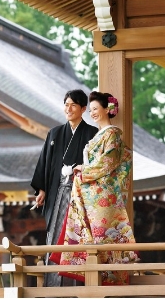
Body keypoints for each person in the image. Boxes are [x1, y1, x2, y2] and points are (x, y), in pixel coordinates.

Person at [50, 91, 140, 285]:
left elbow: (107, 163)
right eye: (90, 110)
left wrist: (83, 169)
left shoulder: (113, 134)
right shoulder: (99, 135)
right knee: (93, 240)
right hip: (91, 193)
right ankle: (97, 282)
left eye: (96, 109)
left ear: (107, 109)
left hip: (103, 196)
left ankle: (113, 284)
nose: (92, 113)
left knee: (105, 236)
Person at [30, 89, 98, 287]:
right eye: (66, 104)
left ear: (83, 109)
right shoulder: (55, 133)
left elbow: (95, 165)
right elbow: (45, 163)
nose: (68, 109)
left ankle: (76, 284)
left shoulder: (91, 134)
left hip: (80, 195)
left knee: (76, 238)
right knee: (55, 235)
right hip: (57, 192)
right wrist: (41, 190)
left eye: (73, 105)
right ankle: (52, 284)